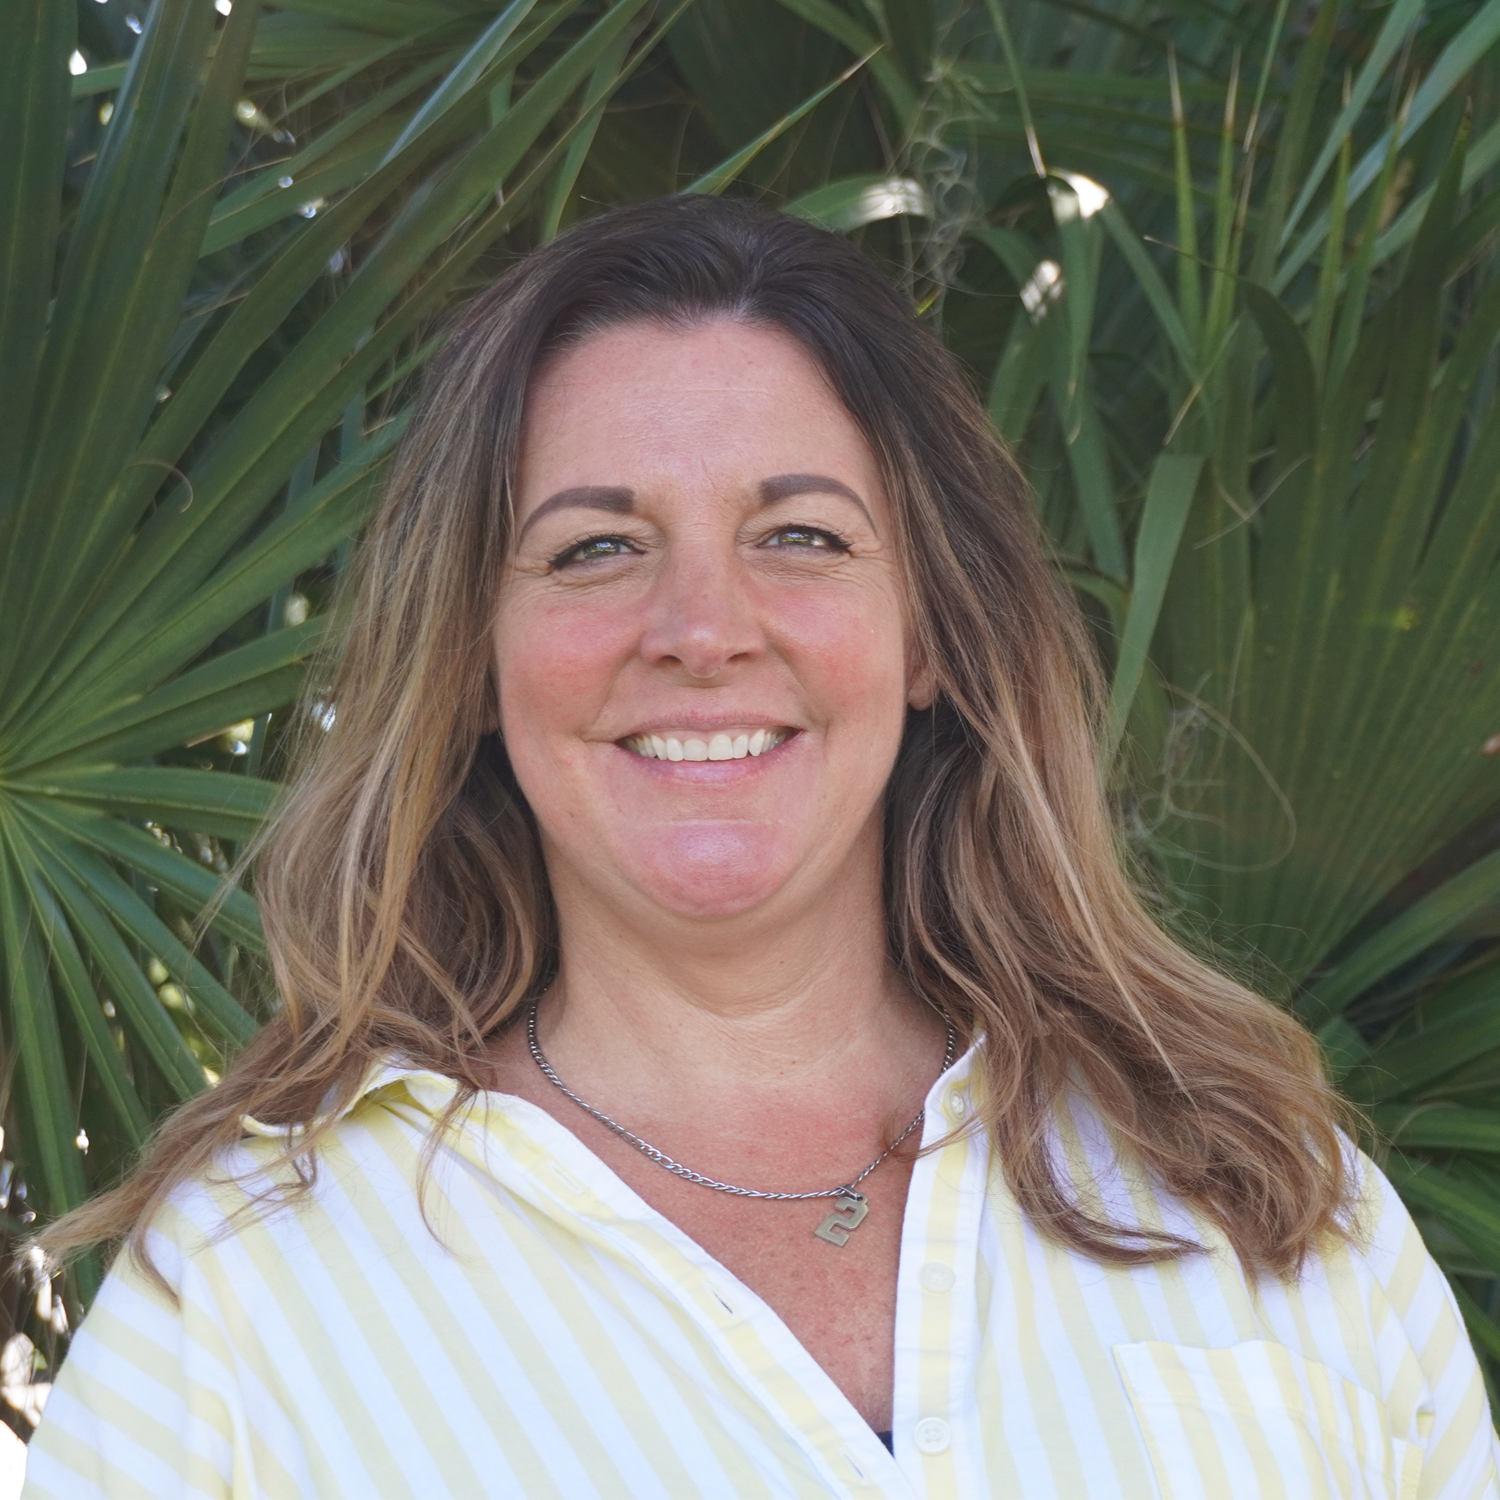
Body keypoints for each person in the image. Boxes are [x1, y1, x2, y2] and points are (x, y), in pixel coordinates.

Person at [22, 195, 1498, 1499]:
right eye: (597, 547)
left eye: (800, 536)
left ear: (928, 633)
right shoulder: (241, 1296)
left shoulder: (1258, 1189)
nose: (703, 630)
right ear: (475, 654)